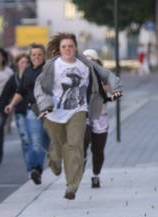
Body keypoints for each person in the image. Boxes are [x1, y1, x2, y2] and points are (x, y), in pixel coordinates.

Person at [35, 33, 122, 200]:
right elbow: (39, 87)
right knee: (60, 145)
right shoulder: (52, 66)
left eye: (70, 46)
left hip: (78, 110)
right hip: (54, 113)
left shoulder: (86, 64)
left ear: (75, 48)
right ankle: (54, 156)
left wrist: (116, 87)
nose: (68, 49)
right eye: (64, 46)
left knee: (75, 146)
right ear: (59, 49)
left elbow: (108, 75)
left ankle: (72, 186)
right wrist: (45, 105)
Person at [5, 43, 49, 185]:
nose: (36, 57)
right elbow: (21, 91)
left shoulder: (49, 70)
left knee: (46, 144)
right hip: (32, 111)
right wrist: (11, 104)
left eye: (39, 55)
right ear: (31, 57)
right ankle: (35, 169)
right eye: (34, 55)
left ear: (44, 56)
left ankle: (38, 167)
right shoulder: (28, 72)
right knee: (35, 141)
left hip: (50, 112)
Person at [82, 49, 111, 188]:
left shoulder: (104, 74)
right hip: (83, 113)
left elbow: (112, 90)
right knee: (84, 140)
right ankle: (80, 162)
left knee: (98, 149)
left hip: (100, 114)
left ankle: (96, 175)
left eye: (91, 60)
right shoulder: (78, 73)